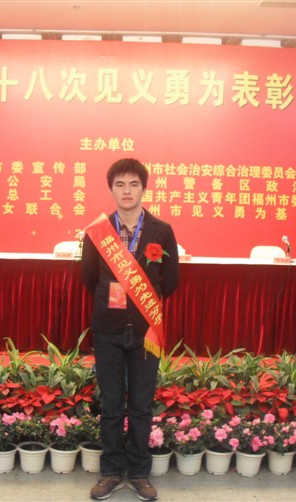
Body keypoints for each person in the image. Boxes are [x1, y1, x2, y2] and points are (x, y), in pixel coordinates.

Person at [81, 158, 180, 501]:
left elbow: (172, 279)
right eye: (120, 184)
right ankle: (110, 472)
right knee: (110, 405)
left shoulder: (161, 230)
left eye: (133, 184)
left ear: (144, 188)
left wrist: (141, 304)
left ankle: (139, 473)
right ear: (111, 189)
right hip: (108, 330)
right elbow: (89, 278)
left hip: (145, 332)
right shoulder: (97, 231)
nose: (127, 191)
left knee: (140, 405)